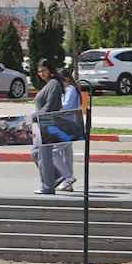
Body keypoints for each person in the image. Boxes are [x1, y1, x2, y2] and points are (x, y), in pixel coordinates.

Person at [30, 59, 64, 194]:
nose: (41, 73)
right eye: (39, 71)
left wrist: (34, 116)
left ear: (50, 70)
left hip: (49, 124)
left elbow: (50, 106)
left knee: (44, 155)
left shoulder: (54, 84)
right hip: (43, 124)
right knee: (35, 152)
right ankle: (56, 177)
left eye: (44, 70)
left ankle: (47, 187)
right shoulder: (48, 84)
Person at [54, 68, 79, 192]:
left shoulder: (70, 89)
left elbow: (67, 105)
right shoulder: (68, 89)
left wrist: (54, 104)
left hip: (68, 125)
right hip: (68, 124)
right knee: (66, 153)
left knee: (53, 151)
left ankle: (68, 177)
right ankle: (68, 183)